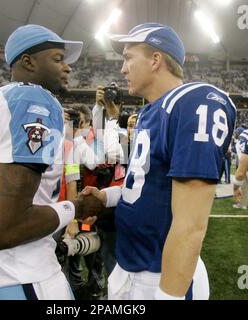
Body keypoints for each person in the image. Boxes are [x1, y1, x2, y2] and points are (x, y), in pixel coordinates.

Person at [83, 22, 236, 300]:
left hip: (159, 276)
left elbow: (190, 226)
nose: (122, 68)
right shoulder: (148, 113)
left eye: (129, 57)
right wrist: (106, 197)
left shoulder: (192, 103)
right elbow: (143, 186)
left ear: (156, 60)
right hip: (131, 265)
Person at [0, 24, 103, 300]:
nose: (68, 68)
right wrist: (76, 207)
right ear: (28, 61)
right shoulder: (34, 99)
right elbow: (3, 229)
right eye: (58, 59)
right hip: (21, 276)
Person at [233, 129, 248, 208]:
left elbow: (240, 174)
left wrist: (235, 189)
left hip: (244, 164)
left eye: (235, 132)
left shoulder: (243, 137)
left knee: (243, 183)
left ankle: (243, 203)